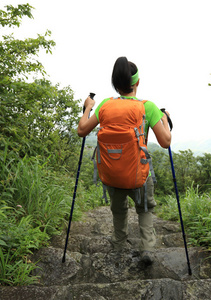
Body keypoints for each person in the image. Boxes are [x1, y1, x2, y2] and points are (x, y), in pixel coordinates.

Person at [77, 56, 171, 265]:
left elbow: (81, 131)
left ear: (116, 84)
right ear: (137, 82)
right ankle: (147, 248)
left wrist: (87, 108)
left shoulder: (104, 106)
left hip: (112, 172)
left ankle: (119, 245)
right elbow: (165, 142)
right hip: (139, 172)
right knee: (145, 208)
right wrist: (164, 121)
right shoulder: (148, 107)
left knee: (118, 209)